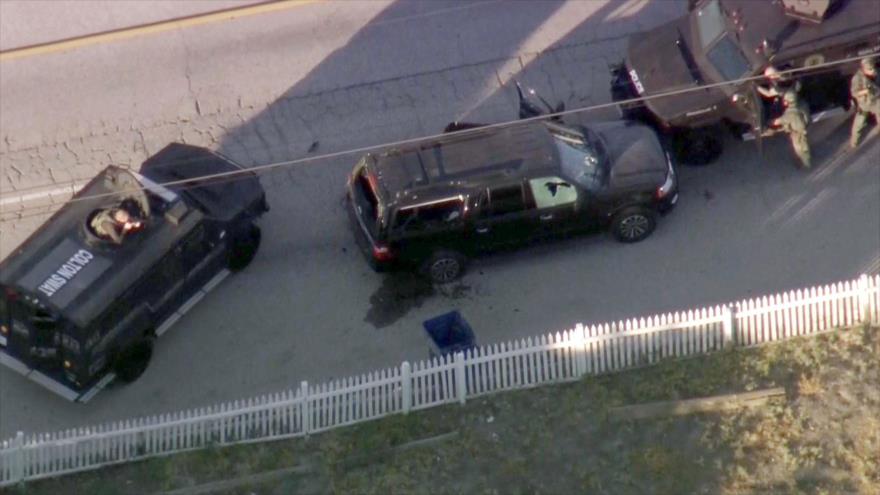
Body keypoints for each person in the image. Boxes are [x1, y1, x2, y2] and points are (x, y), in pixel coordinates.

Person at [773, 90, 811, 169]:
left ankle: (806, 164)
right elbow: (807, 118)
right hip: (803, 129)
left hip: (796, 133)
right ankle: (807, 160)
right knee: (804, 145)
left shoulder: (789, 113)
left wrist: (770, 122)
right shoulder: (801, 105)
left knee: (799, 149)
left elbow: (778, 121)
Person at [850, 56, 879, 148]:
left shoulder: (876, 74)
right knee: (859, 124)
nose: (872, 71)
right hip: (864, 104)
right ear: (863, 69)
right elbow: (854, 93)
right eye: (870, 69)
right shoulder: (857, 78)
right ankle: (854, 142)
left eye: (873, 68)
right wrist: (865, 91)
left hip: (876, 101)